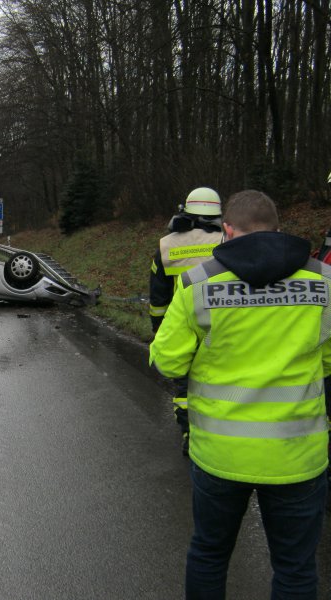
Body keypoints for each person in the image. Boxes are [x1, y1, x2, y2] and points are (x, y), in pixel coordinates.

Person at [150, 190, 330, 599]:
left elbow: (169, 363)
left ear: (227, 230)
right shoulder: (324, 280)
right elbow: (328, 359)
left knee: (210, 554)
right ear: (278, 228)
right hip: (297, 456)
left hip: (220, 455)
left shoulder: (198, 283)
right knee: (296, 569)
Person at [149, 187, 223, 455]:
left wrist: (159, 330)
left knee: (184, 384)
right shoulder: (228, 240)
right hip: (223, 322)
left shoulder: (166, 246)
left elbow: (158, 299)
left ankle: (190, 434)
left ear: (185, 212)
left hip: (183, 324)